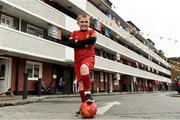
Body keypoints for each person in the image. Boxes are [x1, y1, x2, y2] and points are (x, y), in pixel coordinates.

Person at [67, 14, 96, 115]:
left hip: (89, 57)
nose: (84, 24)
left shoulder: (91, 31)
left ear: (89, 23)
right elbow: (70, 43)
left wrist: (78, 42)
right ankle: (84, 105)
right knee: (80, 84)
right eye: (82, 22)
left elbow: (92, 40)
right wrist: (85, 44)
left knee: (84, 67)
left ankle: (88, 93)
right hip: (77, 60)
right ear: (78, 23)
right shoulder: (75, 32)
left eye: (86, 22)